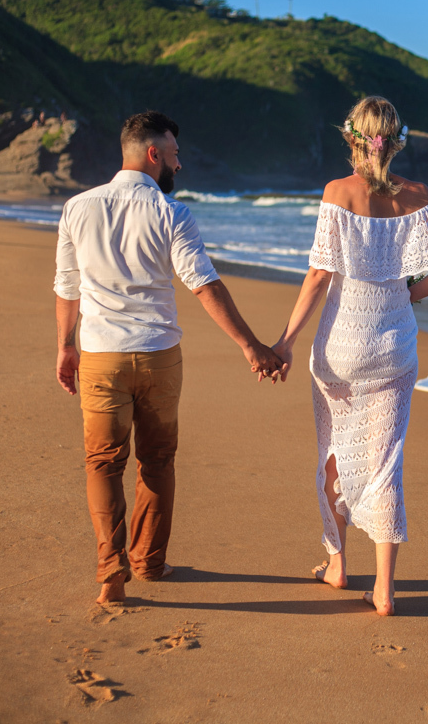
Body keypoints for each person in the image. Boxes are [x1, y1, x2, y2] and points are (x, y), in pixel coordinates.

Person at [54, 110, 284, 604]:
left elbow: (67, 288)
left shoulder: (77, 208)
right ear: (153, 153)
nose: (178, 166)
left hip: (100, 355)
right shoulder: (171, 214)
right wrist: (251, 346)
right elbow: (203, 285)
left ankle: (111, 572)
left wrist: (65, 347)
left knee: (102, 463)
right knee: (156, 462)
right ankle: (149, 564)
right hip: (158, 357)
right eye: (175, 155)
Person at [272, 96, 428, 616]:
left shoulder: (337, 192)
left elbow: (319, 274)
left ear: (352, 137)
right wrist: (406, 295)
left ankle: (336, 564)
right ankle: (384, 590)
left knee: (333, 452)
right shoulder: (419, 196)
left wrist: (284, 342)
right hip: (394, 348)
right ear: (394, 141)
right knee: (385, 464)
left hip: (340, 347)